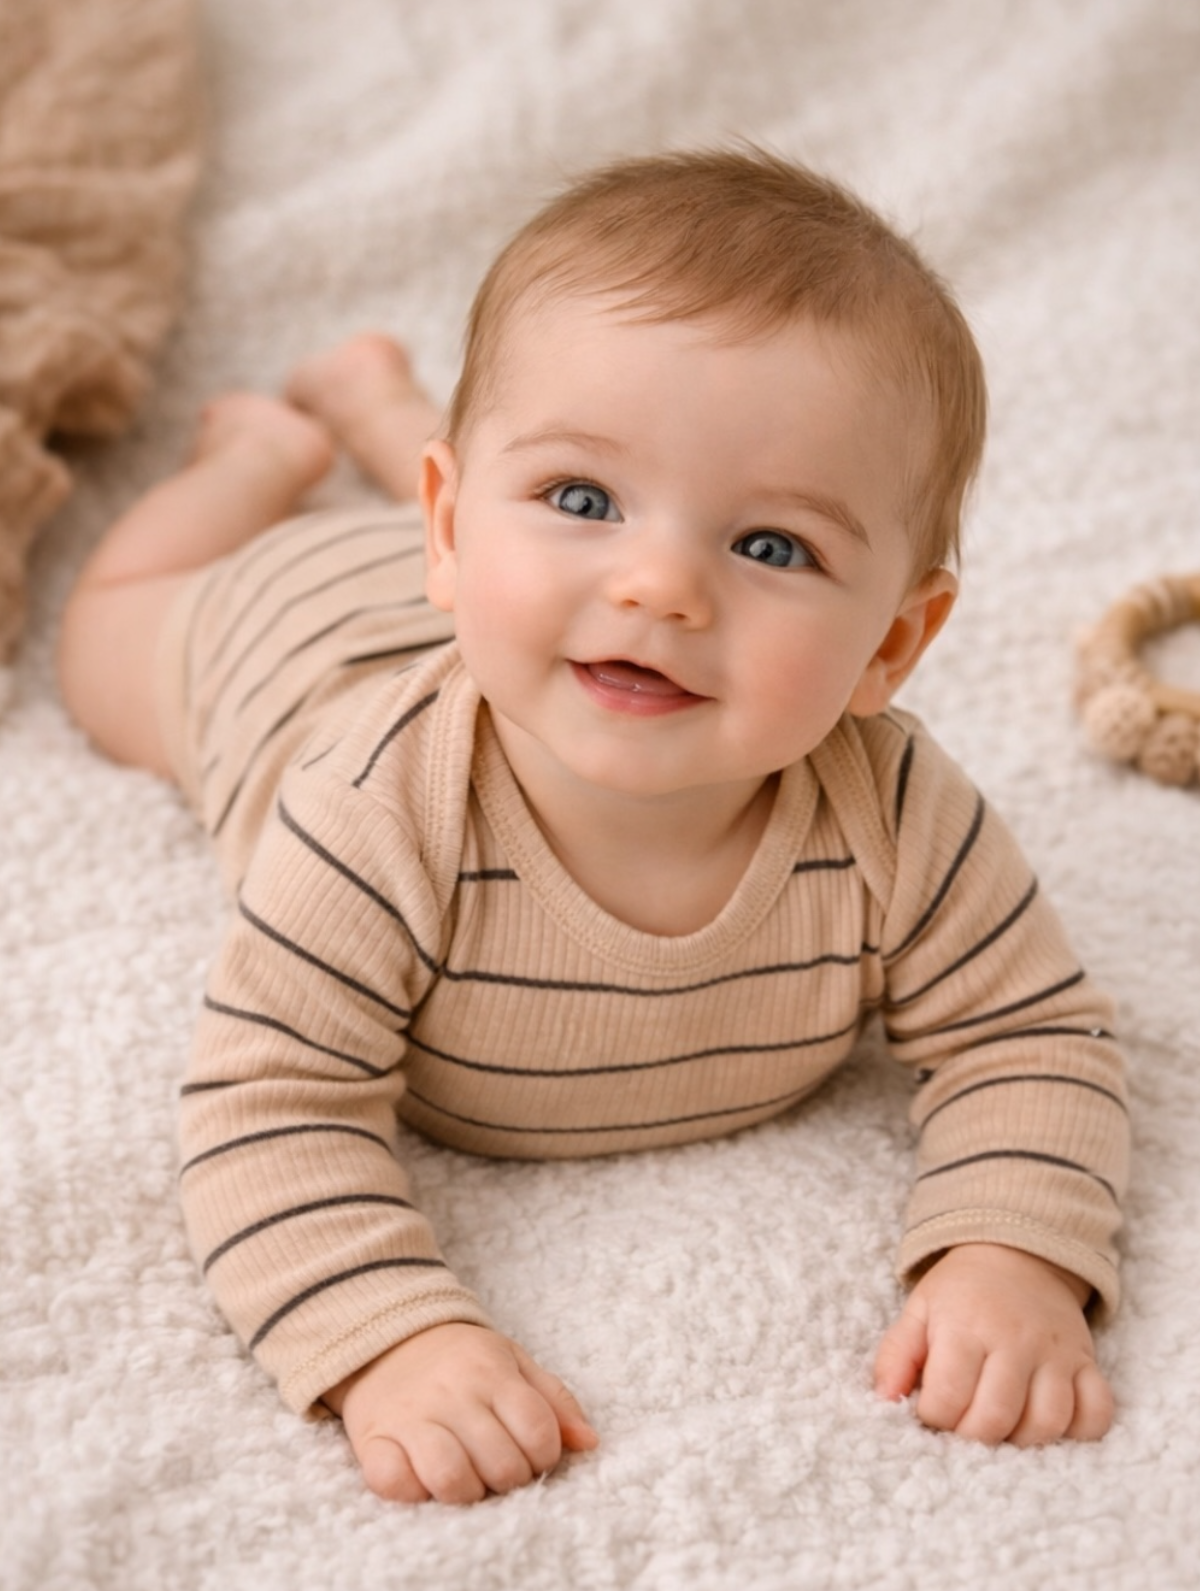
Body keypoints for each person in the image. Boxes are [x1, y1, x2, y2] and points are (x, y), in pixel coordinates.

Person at [57, 147, 1129, 1506]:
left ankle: (418, 431)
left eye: (773, 547)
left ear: (895, 644)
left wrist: (1011, 1253)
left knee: (547, 517)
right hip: (287, 638)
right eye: (583, 499)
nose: (660, 586)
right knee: (105, 630)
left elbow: (1028, 1035)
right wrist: (390, 1335)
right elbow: (272, 1101)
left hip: (501, 602)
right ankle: (264, 456)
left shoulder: (898, 814)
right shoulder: (371, 811)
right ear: (455, 531)